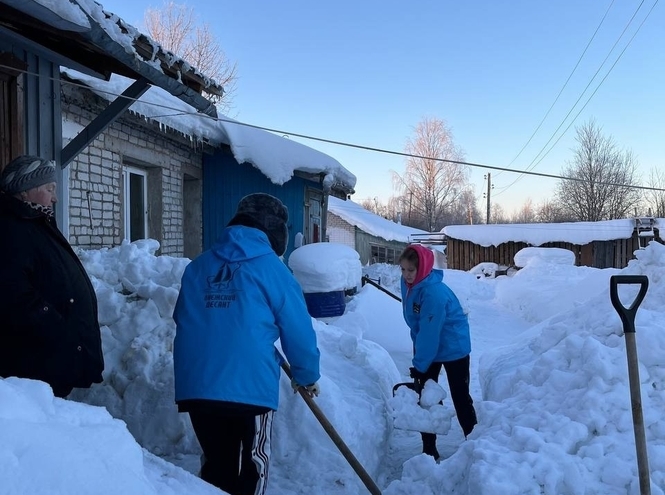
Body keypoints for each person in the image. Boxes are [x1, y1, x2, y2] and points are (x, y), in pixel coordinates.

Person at [173, 192, 321, 495]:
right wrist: (307, 375)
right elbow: (298, 330)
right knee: (253, 465)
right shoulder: (273, 270)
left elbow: (183, 319)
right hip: (249, 388)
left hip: (197, 385)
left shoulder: (198, 267)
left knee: (217, 465)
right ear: (273, 231)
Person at [0, 154, 104, 398]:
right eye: (50, 188)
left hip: (48, 358)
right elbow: (11, 293)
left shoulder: (35, 224)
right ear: (25, 191)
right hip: (33, 362)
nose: (55, 198)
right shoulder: (10, 229)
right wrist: (57, 326)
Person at [398, 244, 477, 459]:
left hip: (453, 346)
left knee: (460, 396)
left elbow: (430, 333)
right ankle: (429, 449)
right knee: (426, 397)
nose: (406, 275)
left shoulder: (433, 293)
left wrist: (420, 364)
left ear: (422, 268)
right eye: (403, 270)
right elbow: (421, 327)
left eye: (411, 270)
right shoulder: (410, 283)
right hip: (429, 341)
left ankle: (476, 445)